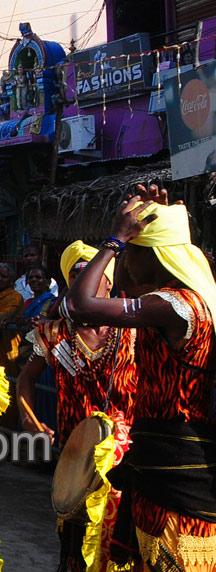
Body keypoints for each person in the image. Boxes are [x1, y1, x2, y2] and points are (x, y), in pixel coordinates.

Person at [63, 185, 216, 570]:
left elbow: (79, 304)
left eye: (131, 252)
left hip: (177, 468)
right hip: (164, 461)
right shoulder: (183, 299)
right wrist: (160, 223)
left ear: (152, 254)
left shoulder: (173, 305)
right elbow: (125, 289)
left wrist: (115, 238)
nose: (123, 263)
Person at [18, 240, 136, 572]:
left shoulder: (134, 328)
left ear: (108, 282)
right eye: (76, 274)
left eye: (91, 273)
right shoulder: (53, 333)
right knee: (75, 542)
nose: (83, 281)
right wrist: (29, 420)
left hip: (127, 456)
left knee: (119, 542)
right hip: (76, 456)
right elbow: (26, 379)